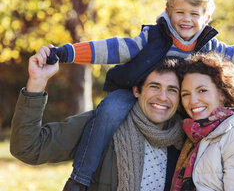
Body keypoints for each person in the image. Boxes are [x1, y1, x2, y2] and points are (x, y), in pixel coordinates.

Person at [45, 0, 234, 189]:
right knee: (109, 110)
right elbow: (112, 48)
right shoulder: (152, 38)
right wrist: (67, 52)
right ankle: (80, 177)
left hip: (180, 99)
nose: (186, 19)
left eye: (194, 13)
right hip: (138, 91)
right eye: (180, 12)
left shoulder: (210, 46)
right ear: (168, 12)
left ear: (207, 17)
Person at [10, 47, 186, 191]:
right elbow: (28, 148)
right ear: (136, 90)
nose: (163, 97)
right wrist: (37, 83)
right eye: (154, 87)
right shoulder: (102, 126)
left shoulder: (186, 142)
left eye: (172, 90)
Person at [170, 52, 234, 191]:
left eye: (202, 90)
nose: (193, 101)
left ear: (222, 94)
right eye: (186, 94)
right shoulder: (194, 137)